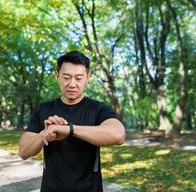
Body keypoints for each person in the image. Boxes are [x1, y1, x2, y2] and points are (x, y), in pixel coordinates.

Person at [18, 51, 125, 192]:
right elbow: (23, 151)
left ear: (87, 78)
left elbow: (118, 135)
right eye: (67, 77)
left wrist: (69, 129)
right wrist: (44, 134)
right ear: (57, 76)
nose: (72, 84)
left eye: (78, 78)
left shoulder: (98, 109)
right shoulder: (44, 109)